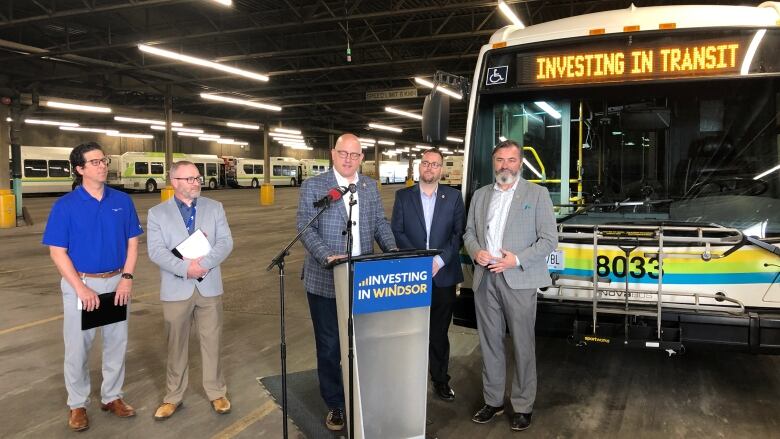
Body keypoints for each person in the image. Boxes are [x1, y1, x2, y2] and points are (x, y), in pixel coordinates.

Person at [297, 133, 397, 431]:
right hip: (326, 279)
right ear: (333, 153)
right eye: (343, 153)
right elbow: (305, 226)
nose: (348, 159)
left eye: (354, 155)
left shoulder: (368, 186)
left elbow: (379, 222)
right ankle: (336, 404)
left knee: (362, 344)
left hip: (363, 280)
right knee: (329, 346)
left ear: (362, 158)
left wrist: (392, 251)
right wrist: (327, 255)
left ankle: (361, 396)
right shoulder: (313, 186)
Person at [42, 142, 143, 431]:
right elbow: (57, 252)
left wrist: (126, 278)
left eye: (104, 160)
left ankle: (112, 396)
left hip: (116, 283)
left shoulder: (122, 201)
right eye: (96, 162)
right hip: (81, 284)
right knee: (78, 348)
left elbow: (132, 244)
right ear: (80, 169)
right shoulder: (65, 206)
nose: (103, 166)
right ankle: (77, 404)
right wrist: (81, 289)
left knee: (116, 343)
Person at [463, 139, 558, 432]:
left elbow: (548, 240)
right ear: (494, 163)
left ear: (520, 163)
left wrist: (515, 259)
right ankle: (493, 401)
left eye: (511, 160)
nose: (505, 165)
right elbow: (468, 233)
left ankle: (522, 405)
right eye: (500, 160)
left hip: (518, 279)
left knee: (522, 344)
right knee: (490, 343)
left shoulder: (537, 194)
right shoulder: (480, 195)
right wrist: (475, 250)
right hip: (484, 278)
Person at [146, 161, 234, 420]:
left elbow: (225, 242)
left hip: (209, 286)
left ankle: (217, 392)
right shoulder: (157, 214)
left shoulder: (215, 207)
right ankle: (173, 396)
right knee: (175, 345)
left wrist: (203, 265)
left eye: (197, 178)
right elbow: (156, 251)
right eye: (190, 179)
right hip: (176, 289)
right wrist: (185, 269)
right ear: (174, 182)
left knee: (212, 341)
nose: (197, 182)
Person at [390, 148, 465, 402]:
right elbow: (397, 232)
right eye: (425, 163)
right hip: (412, 275)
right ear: (418, 167)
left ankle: (440, 379)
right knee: (410, 330)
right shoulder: (403, 196)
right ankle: (409, 379)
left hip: (443, 276)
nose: (429, 168)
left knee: (438, 332)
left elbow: (458, 234)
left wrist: (439, 260)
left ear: (441, 170)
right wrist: (420, 261)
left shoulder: (454, 197)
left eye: (435, 164)